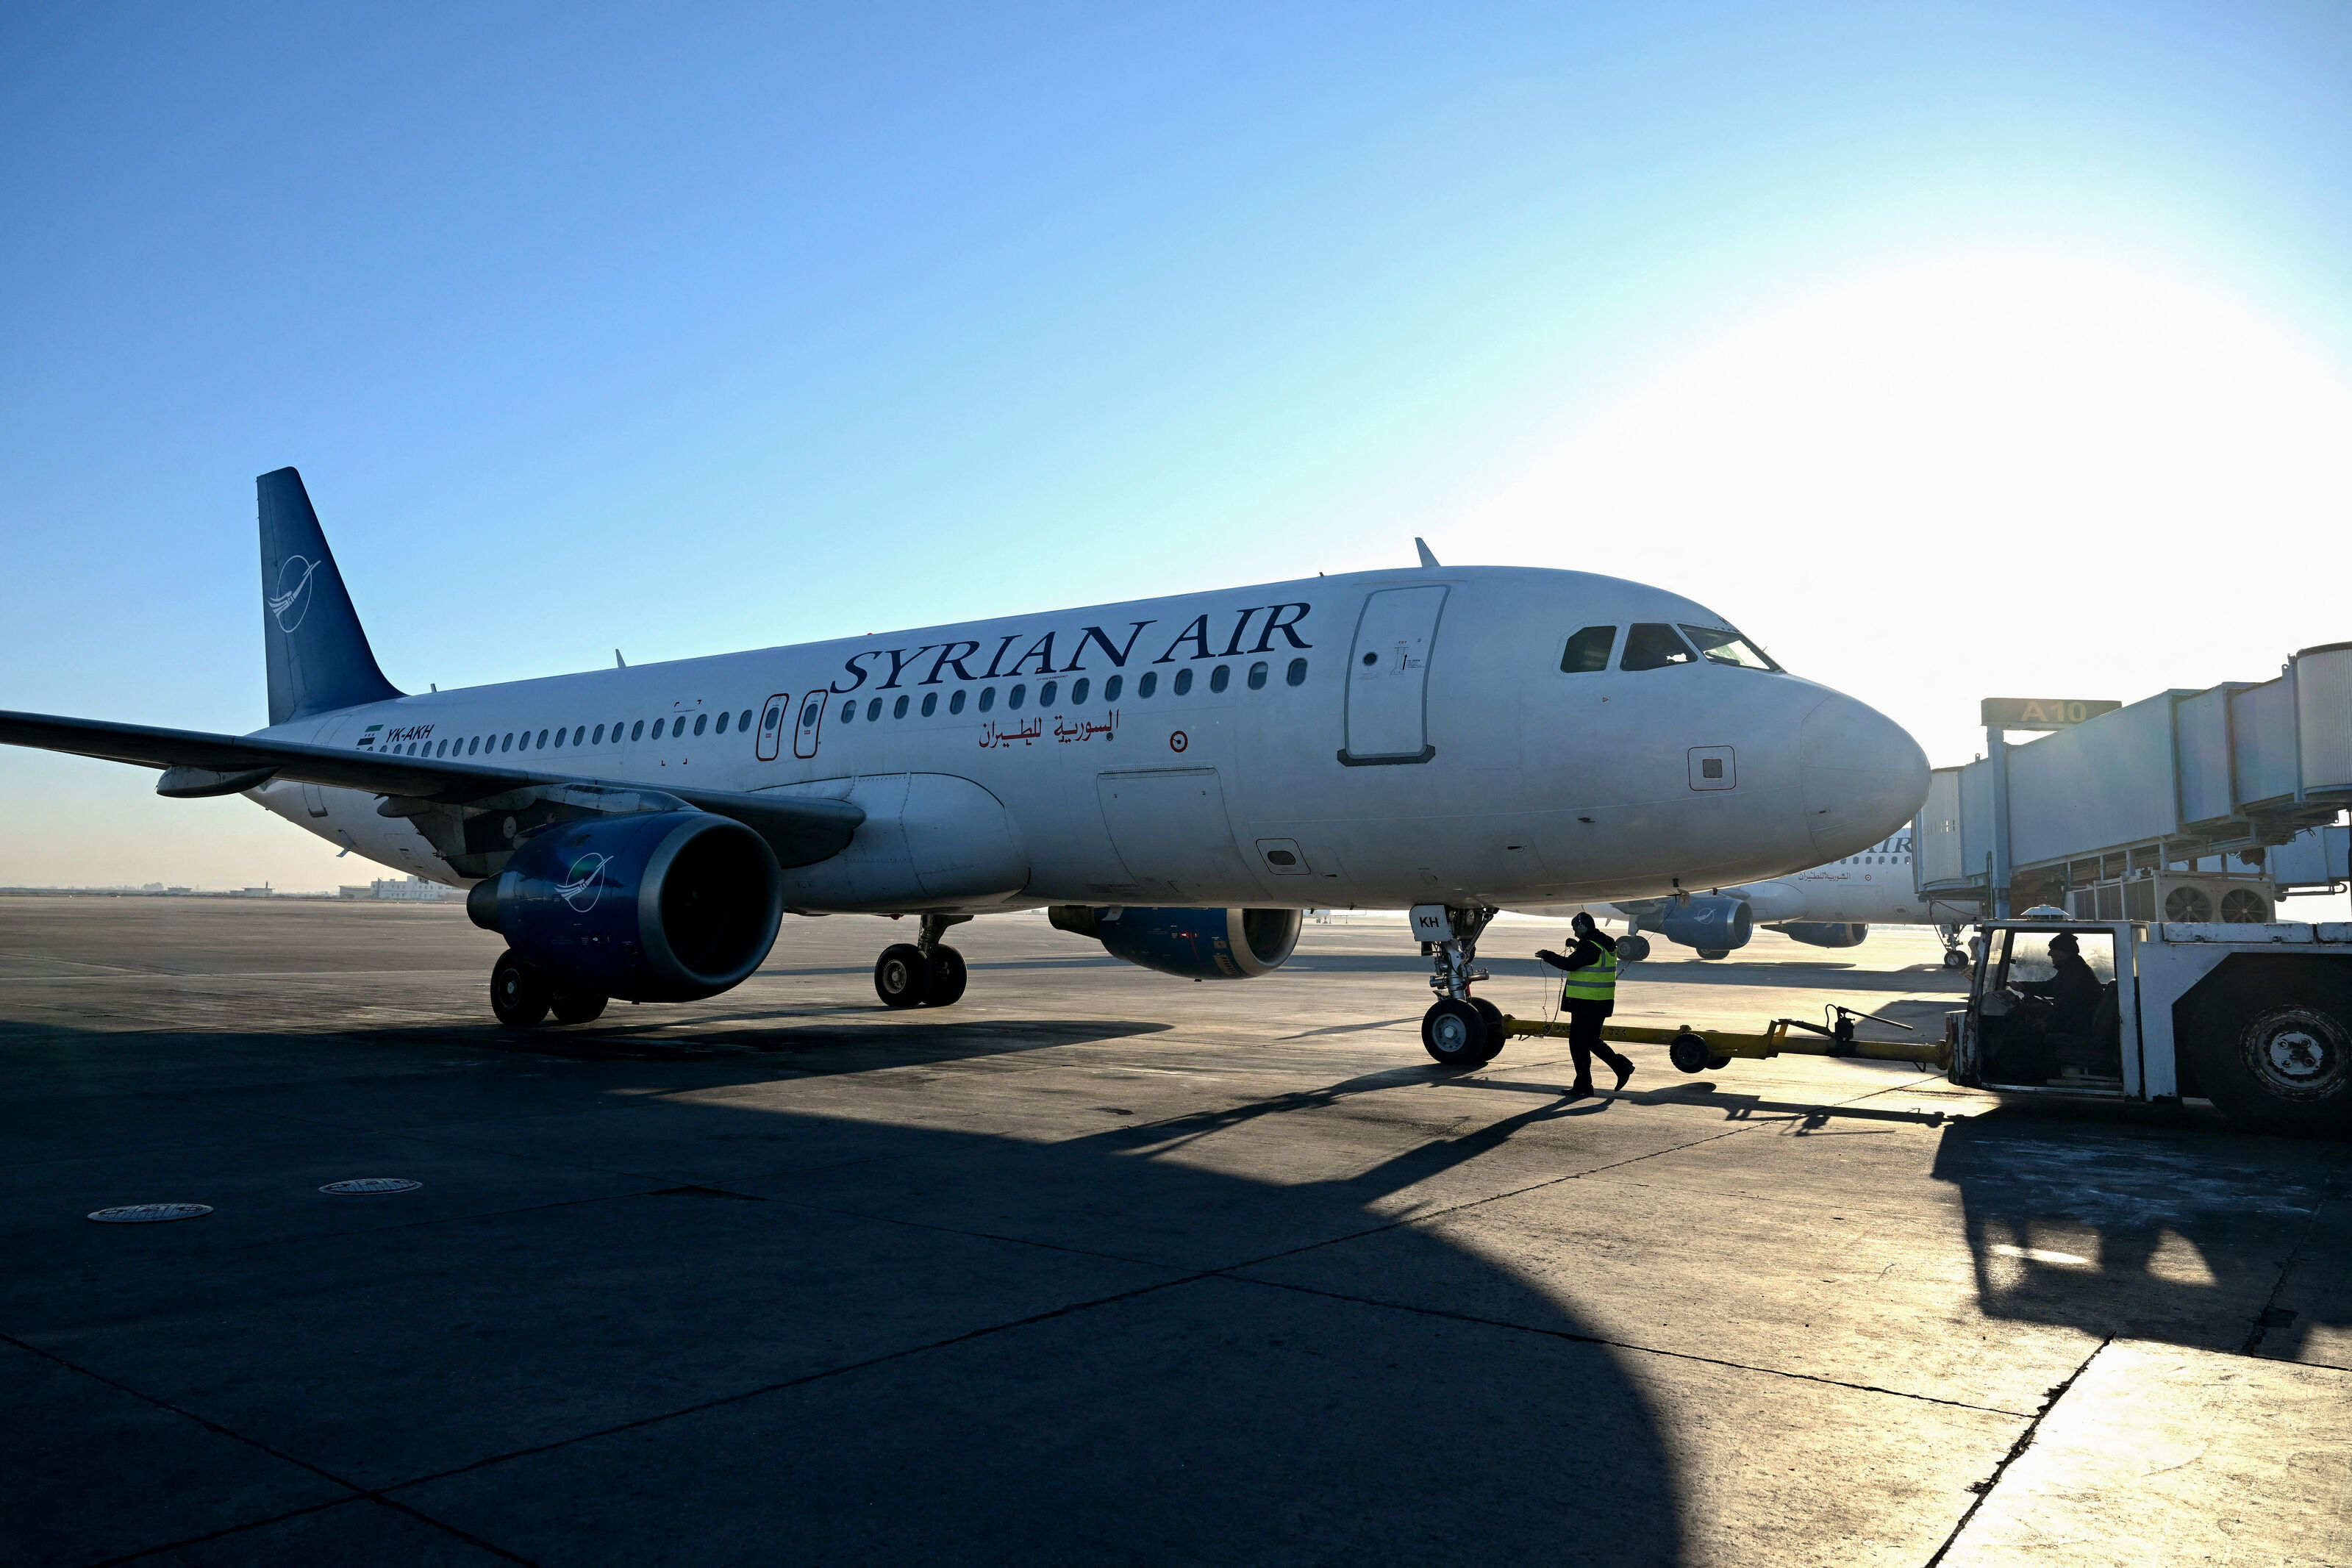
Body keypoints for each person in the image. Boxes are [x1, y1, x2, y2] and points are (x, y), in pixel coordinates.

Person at [1535, 912, 1636, 1100]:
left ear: (1582, 927)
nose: (1574, 932)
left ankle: (1612, 1071)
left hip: (1587, 1003)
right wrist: (1577, 945)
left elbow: (1569, 964)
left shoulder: (1590, 947)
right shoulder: (1603, 942)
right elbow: (1591, 957)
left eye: (1575, 929)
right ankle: (1601, 1076)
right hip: (1599, 1002)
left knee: (1579, 1042)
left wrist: (1547, 955)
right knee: (1588, 1041)